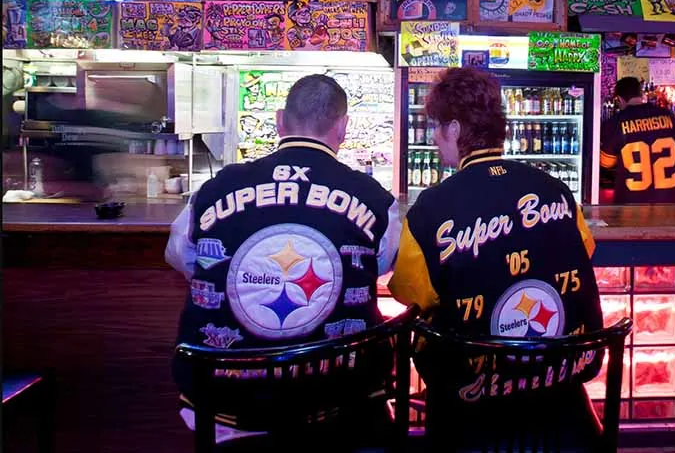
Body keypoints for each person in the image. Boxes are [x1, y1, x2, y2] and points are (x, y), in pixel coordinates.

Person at [165, 74, 401, 445]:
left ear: (279, 121)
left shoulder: (214, 189)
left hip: (228, 410)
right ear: (343, 128)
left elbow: (182, 259)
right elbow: (382, 266)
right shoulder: (375, 199)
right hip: (338, 405)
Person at [387, 68, 604, 446]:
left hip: (472, 403)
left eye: (437, 127)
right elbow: (585, 250)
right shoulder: (556, 190)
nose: (435, 139)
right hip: (560, 392)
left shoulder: (431, 208)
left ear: (454, 130)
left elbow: (410, 292)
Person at [600, 77, 675, 204]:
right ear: (641, 94)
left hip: (630, 203)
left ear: (619, 99)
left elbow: (606, 162)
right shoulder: (669, 116)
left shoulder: (615, 123)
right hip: (667, 202)